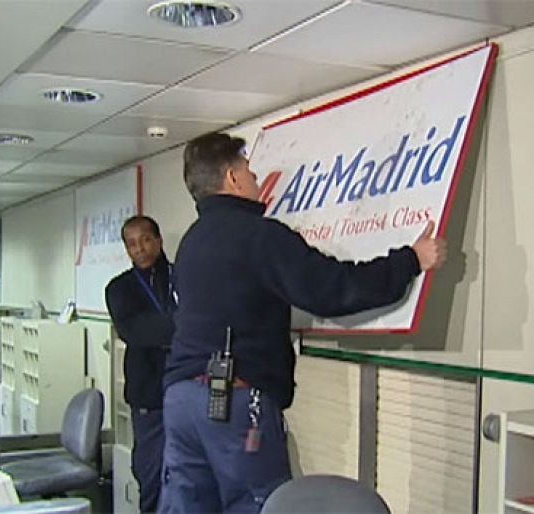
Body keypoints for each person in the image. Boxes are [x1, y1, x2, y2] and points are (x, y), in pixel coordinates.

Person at [159, 132, 448, 513]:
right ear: (232, 178)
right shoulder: (259, 235)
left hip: (181, 401)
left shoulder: (191, 242)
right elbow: (332, 289)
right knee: (258, 505)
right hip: (232, 401)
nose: (256, 178)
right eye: (248, 169)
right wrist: (410, 260)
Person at [105, 215, 177, 513]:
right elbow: (134, 331)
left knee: (190, 476)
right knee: (151, 476)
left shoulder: (182, 276)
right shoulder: (119, 289)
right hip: (149, 397)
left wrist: (166, 327)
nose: (140, 249)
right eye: (132, 244)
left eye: (146, 240)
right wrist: (182, 325)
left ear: (158, 240)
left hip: (188, 389)